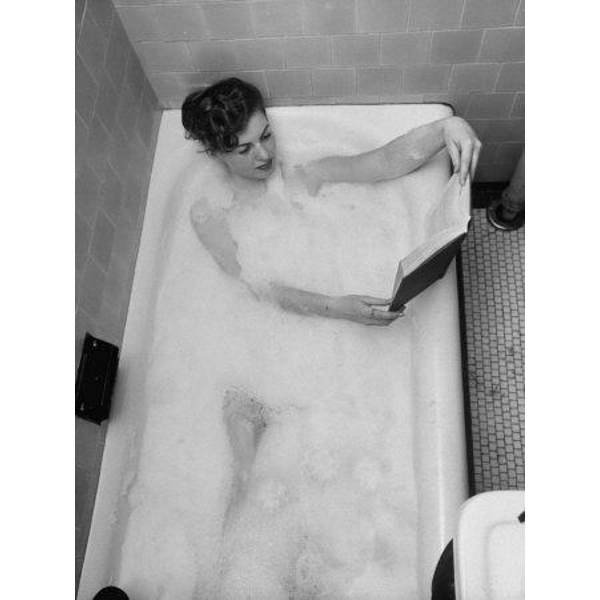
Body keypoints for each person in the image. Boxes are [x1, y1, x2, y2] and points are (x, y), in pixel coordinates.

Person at [181, 77, 481, 328]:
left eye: (267, 135)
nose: (264, 154)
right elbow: (258, 287)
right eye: (244, 149)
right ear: (215, 153)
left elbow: (384, 162)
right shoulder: (212, 215)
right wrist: (335, 307)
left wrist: (447, 128)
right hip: (287, 325)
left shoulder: (303, 175)